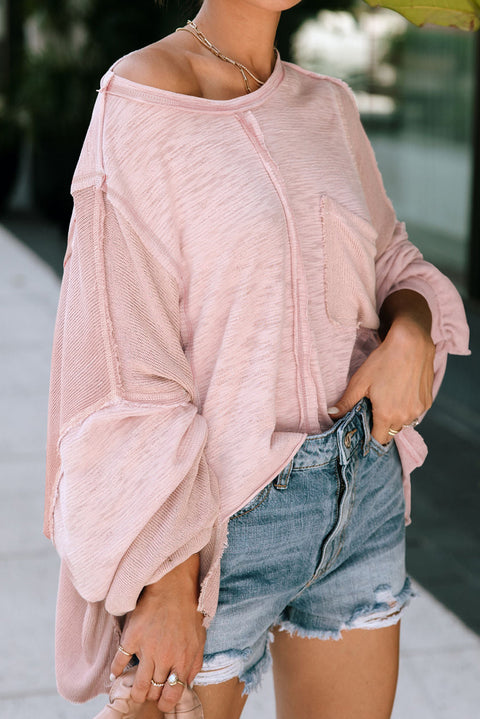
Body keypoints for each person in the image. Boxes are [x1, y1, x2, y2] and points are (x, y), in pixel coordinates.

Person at [43, 1, 470, 718]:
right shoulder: (139, 102)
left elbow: (392, 262)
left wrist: (412, 330)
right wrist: (168, 579)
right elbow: (124, 366)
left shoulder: (327, 105)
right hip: (213, 534)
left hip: (360, 498)